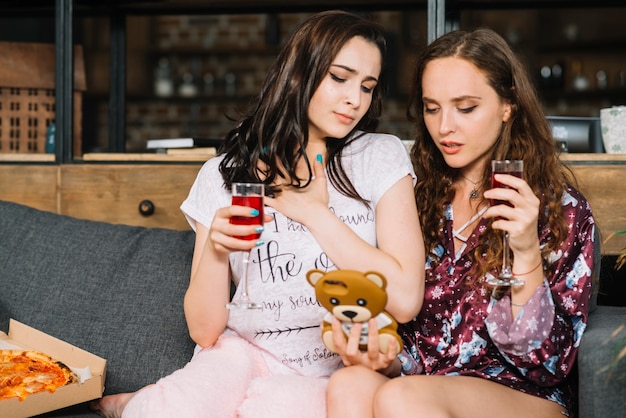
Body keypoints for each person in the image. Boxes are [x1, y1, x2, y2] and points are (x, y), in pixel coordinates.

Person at [91, 10, 425, 418]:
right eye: (339, 78)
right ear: (299, 74)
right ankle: (143, 403)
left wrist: (315, 215)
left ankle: (149, 398)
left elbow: (406, 299)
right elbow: (204, 331)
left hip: (327, 371)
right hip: (241, 354)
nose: (355, 99)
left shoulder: (377, 157)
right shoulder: (225, 174)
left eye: (367, 86)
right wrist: (216, 248)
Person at [326, 28, 597, 418]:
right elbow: (415, 348)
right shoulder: (416, 199)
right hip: (428, 385)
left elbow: (546, 364)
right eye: (431, 108)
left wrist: (524, 250)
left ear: (508, 105)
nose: (444, 127)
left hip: (525, 395)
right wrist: (382, 355)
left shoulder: (560, 209)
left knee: (402, 397)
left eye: (465, 108)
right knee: (348, 382)